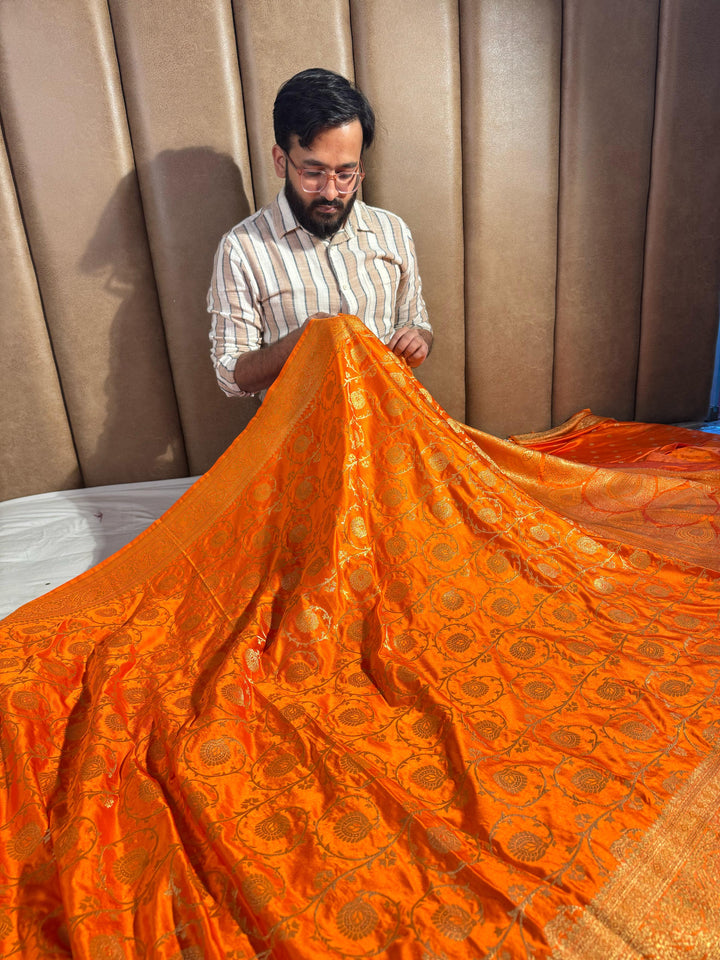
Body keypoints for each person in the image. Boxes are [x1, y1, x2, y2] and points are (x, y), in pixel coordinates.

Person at [207, 68, 433, 398]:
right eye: (313, 173)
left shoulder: (392, 231)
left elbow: (416, 322)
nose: (331, 192)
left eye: (346, 173)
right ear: (281, 161)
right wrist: (298, 345)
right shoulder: (241, 250)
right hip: (302, 437)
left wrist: (418, 339)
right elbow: (230, 376)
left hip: (389, 423)